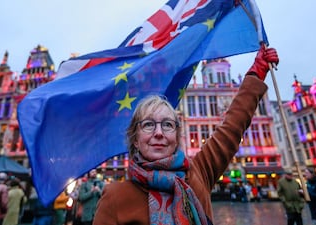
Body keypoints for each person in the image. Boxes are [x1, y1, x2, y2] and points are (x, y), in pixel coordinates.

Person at [92, 45, 279, 225]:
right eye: (148, 125)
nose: (159, 133)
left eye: (167, 125)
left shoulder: (198, 173)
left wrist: (257, 72)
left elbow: (232, 127)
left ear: (177, 137)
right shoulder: (114, 197)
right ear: (135, 139)